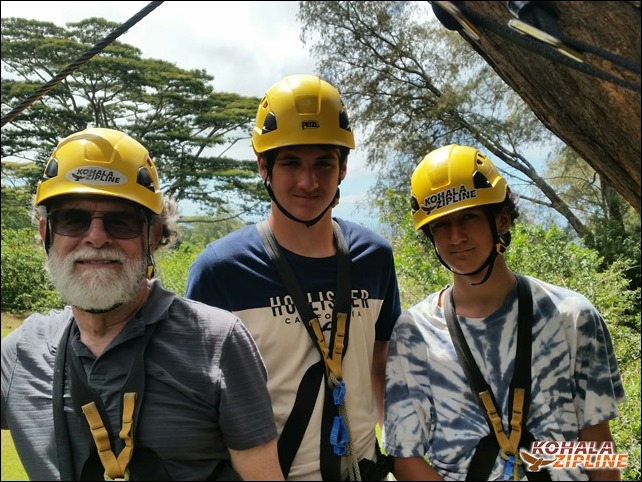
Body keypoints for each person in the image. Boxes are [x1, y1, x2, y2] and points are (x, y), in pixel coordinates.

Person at [1, 127, 284, 481]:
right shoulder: (20, 355)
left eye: (121, 221)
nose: (97, 237)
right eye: (74, 219)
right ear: (46, 234)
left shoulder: (218, 340)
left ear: (152, 235)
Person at [185, 74, 401, 481]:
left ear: (343, 168)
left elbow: (380, 361)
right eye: (291, 163)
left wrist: (396, 445)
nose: (308, 181)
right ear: (263, 165)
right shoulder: (220, 271)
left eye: (323, 162)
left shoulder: (374, 258)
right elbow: (199, 400)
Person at [382, 144, 626, 481]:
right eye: (441, 224)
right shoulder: (416, 331)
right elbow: (405, 457)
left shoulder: (572, 317)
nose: (456, 236)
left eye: (468, 216)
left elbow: (598, 445)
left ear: (502, 219)